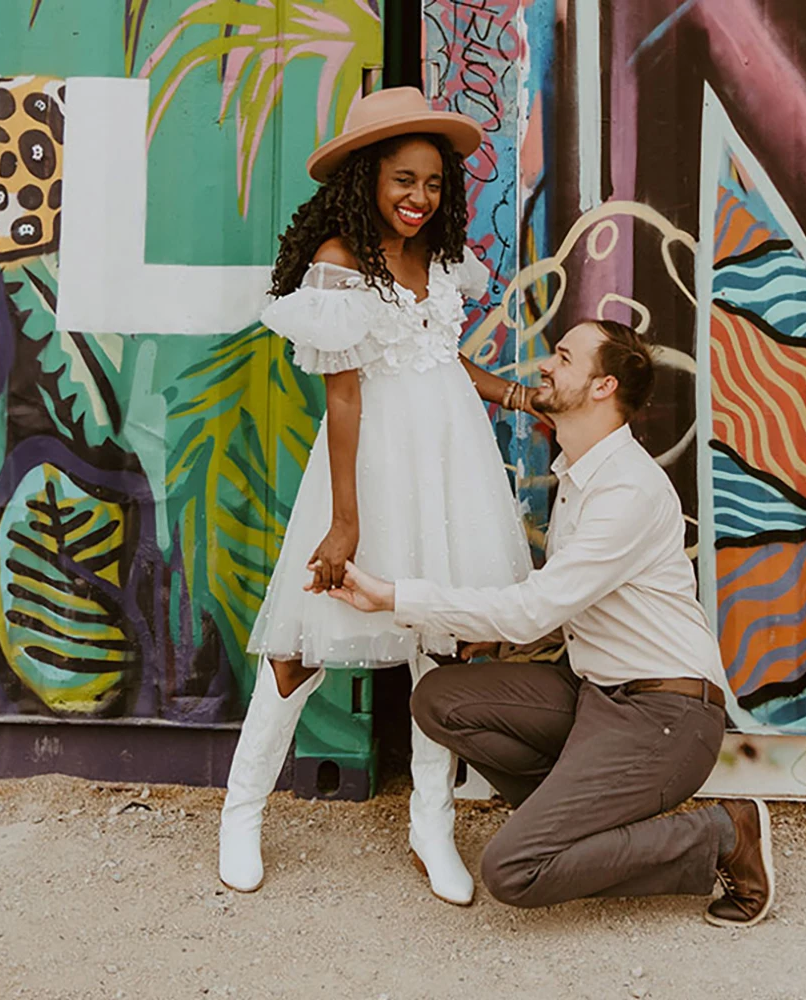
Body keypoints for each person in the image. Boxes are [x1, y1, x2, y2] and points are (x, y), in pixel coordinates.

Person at [330, 318, 776, 926]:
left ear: (602, 387)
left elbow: (535, 606)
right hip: (597, 695)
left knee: (514, 870)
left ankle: (724, 834)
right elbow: (565, 603)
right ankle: (575, 826)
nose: (545, 365)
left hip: (666, 717)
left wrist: (395, 597)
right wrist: (491, 631)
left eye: (564, 358)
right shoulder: (579, 472)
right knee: (438, 699)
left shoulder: (627, 490)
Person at [219, 87, 547, 905]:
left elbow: (441, 359)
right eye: (404, 179)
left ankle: (430, 825)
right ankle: (241, 811)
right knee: (300, 647)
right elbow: (345, 396)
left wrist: (513, 397)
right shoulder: (339, 261)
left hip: (451, 461)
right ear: (368, 177)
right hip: (368, 473)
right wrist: (346, 522)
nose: (419, 198)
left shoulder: (438, 256)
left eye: (433, 184)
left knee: (440, 640)